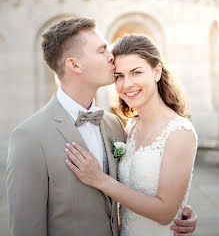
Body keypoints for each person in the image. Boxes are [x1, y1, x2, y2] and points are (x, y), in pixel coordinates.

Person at [6, 18, 196, 236]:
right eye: (102, 50)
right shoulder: (29, 137)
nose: (111, 57)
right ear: (74, 65)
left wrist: (179, 211)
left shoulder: (114, 125)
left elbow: (142, 189)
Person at [64, 33, 198, 236]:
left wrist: (100, 179)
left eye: (136, 72)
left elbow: (164, 213)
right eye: (119, 76)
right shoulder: (131, 127)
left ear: (157, 72)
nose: (127, 84)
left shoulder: (180, 132)